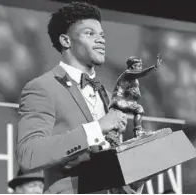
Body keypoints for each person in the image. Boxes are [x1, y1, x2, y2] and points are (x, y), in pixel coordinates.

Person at [16, 1, 128, 193]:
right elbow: (29, 155)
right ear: (66, 41)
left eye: (101, 35)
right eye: (90, 33)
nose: (101, 40)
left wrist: (137, 180)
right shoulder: (42, 88)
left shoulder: (108, 96)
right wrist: (97, 128)